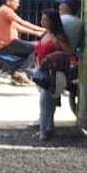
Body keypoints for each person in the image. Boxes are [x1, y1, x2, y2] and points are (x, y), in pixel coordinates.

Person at [31, 9, 73, 142]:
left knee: (44, 102)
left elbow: (67, 53)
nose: (42, 21)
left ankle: (43, 130)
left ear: (52, 21)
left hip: (52, 73)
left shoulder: (58, 37)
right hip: (40, 71)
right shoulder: (45, 34)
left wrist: (52, 57)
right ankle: (49, 127)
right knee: (49, 102)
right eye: (42, 19)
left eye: (45, 19)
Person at [0, 0, 46, 82]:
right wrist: (43, 29)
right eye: (16, 2)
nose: (18, 4)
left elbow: (19, 27)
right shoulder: (6, 10)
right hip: (7, 43)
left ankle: (13, 71)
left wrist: (38, 33)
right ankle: (21, 71)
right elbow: (22, 22)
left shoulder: (4, 12)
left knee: (30, 50)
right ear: (8, 2)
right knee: (38, 47)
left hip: (7, 42)